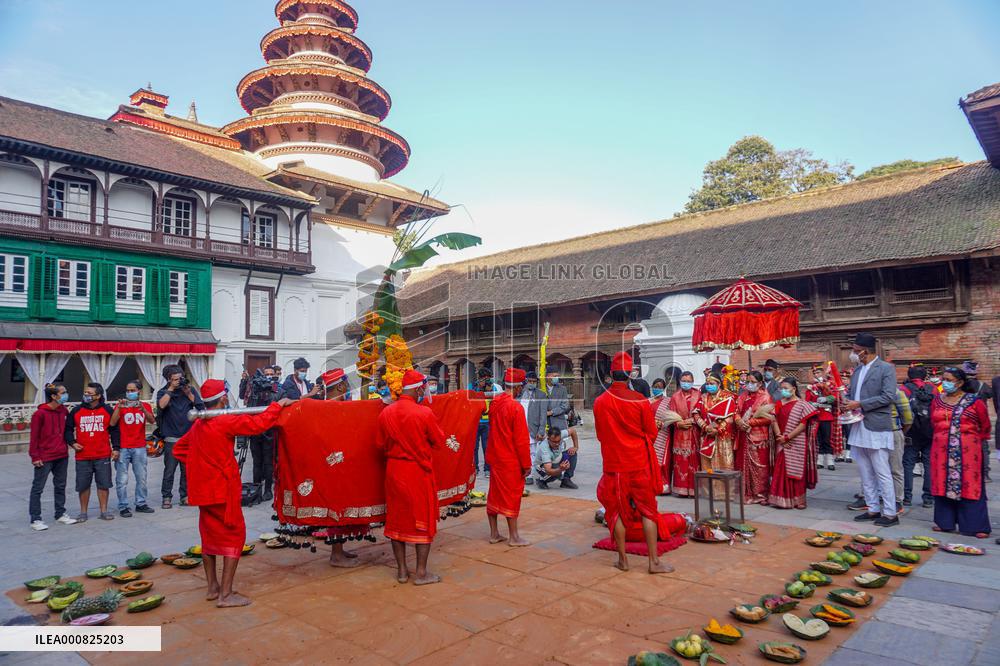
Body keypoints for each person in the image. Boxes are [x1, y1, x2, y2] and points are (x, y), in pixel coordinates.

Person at [173, 380, 293, 607]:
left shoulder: (199, 424)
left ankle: (212, 588)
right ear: (223, 399)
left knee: (208, 539)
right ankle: (226, 595)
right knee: (234, 537)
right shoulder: (224, 420)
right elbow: (259, 424)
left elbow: (179, 449)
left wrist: (202, 467)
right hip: (222, 492)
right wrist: (278, 405)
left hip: (204, 492)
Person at [594, 352, 673, 574]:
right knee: (648, 510)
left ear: (611, 374)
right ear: (630, 375)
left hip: (615, 464)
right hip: (639, 463)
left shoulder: (600, 402)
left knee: (616, 511)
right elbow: (651, 432)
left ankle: (623, 560)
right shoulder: (640, 400)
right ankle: (653, 562)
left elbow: (601, 435)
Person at [378, 370, 449, 585]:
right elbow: (439, 440)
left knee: (396, 520)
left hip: (394, 471)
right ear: (419, 388)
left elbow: (379, 445)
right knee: (423, 520)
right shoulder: (424, 413)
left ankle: (401, 571)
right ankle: (421, 573)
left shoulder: (385, 413)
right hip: (417, 472)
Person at [842, 333, 900, 527]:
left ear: (864, 351)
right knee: (865, 471)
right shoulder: (858, 370)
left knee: (882, 470)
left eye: (855, 350)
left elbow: (888, 396)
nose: (853, 354)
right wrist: (845, 402)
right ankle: (873, 507)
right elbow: (852, 394)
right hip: (858, 424)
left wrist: (860, 403)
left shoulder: (885, 369)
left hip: (876, 424)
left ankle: (891, 513)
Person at [929, 367, 991, 538]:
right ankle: (945, 522)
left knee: (970, 484)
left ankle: (975, 525)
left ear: (960, 382)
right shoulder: (937, 400)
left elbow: (985, 426)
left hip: (968, 451)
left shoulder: (974, 401)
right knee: (942, 482)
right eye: (943, 379)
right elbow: (933, 423)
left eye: (949, 380)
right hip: (941, 450)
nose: (945, 383)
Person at [320, 368, 369, 567]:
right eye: (347, 385)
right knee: (337, 511)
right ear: (340, 386)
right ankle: (336, 555)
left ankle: (339, 549)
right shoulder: (329, 407)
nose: (348, 388)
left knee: (342, 509)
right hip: (333, 467)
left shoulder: (339, 406)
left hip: (343, 465)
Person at [486, 368, 532, 544]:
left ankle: (494, 534)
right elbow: (521, 441)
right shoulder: (515, 407)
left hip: (495, 457)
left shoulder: (495, 403)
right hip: (510, 460)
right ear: (518, 388)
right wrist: (526, 465)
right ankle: (514, 536)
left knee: (494, 495)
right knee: (511, 497)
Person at [65, 383, 119, 522]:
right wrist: (72, 442)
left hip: (102, 455)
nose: (86, 395)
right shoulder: (76, 411)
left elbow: (114, 430)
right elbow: (68, 429)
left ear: (98, 396)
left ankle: (104, 511)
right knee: (83, 485)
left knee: (103, 484)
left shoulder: (107, 410)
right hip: (83, 456)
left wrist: (116, 448)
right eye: (85, 393)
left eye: (90, 393)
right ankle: (83, 512)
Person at [28, 384, 77, 530]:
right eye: (63, 393)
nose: (66, 395)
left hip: (61, 454)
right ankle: (35, 518)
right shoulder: (40, 414)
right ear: (54, 396)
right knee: (38, 487)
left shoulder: (63, 411)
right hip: (44, 456)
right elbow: (34, 437)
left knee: (60, 485)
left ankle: (60, 513)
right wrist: (35, 456)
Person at [156, 364, 203, 509]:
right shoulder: (163, 392)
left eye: (180, 378)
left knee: (186, 469)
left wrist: (189, 395)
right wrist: (170, 390)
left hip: (188, 437)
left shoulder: (190, 390)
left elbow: (201, 409)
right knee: (169, 470)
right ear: (169, 380)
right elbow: (161, 406)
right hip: (171, 437)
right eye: (175, 379)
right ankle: (166, 497)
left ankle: (185, 496)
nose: (178, 381)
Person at [769, 378, 818, 509]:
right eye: (781, 388)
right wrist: (780, 437)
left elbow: (803, 424)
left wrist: (788, 437)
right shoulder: (779, 403)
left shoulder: (803, 404)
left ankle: (799, 500)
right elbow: (773, 420)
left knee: (796, 469)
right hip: (781, 440)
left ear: (794, 389)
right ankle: (781, 499)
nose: (783, 391)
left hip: (797, 441)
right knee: (781, 468)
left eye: (786, 388)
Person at [110, 380, 155, 517]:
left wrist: (143, 408)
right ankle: (123, 505)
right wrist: (119, 407)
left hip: (139, 446)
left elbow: (152, 421)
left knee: (141, 477)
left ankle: (141, 503)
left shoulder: (145, 405)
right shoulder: (120, 405)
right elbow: (112, 423)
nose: (129, 393)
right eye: (128, 390)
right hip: (123, 447)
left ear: (139, 392)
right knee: (122, 479)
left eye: (132, 390)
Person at [735, 371, 774, 504]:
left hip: (758, 438)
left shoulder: (765, 397)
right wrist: (739, 420)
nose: (749, 385)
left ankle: (761, 494)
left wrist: (750, 422)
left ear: (760, 383)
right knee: (742, 464)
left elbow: (769, 418)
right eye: (748, 382)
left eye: (753, 382)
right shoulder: (743, 395)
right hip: (743, 436)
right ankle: (746, 493)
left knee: (760, 467)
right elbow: (736, 411)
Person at [901, 365, 935, 508]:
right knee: (928, 464)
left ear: (909, 376)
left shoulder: (904, 389)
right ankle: (928, 498)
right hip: (930, 431)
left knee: (908, 464)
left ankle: (907, 497)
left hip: (911, 430)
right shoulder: (933, 389)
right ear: (925, 376)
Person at [245, 366, 280, 501]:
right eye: (266, 374)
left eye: (271, 374)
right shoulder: (255, 391)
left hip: (270, 432)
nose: (268, 377)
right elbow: (249, 407)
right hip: (255, 432)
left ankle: (267, 490)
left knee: (268, 462)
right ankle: (256, 489)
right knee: (256, 462)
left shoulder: (277, 391)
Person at [693, 373, 737, 473]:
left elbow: (730, 418)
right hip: (706, 436)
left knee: (723, 466)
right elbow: (696, 414)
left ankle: (722, 489)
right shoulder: (703, 397)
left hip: (722, 438)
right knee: (707, 467)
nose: (709, 386)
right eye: (707, 383)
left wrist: (717, 430)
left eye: (711, 383)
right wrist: (704, 427)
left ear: (719, 384)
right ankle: (709, 488)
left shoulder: (728, 397)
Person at [668, 371, 701, 497]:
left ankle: (694, 489)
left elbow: (703, 412)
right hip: (680, 434)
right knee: (681, 461)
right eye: (684, 380)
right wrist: (678, 424)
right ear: (679, 381)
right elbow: (671, 415)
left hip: (695, 432)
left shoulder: (698, 394)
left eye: (688, 381)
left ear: (692, 381)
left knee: (694, 460)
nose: (686, 383)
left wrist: (692, 420)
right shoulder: (675, 397)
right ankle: (680, 489)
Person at [806, 364, 841, 470]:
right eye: (815, 373)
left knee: (827, 439)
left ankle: (830, 461)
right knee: (819, 439)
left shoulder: (830, 384)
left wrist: (827, 399)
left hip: (826, 416)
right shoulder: (811, 387)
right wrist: (813, 404)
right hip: (816, 416)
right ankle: (820, 461)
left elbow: (836, 397)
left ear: (823, 373)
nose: (817, 375)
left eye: (818, 373)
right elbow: (807, 400)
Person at [521, 371, 548, 484]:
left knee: (532, 452)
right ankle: (523, 472)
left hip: (533, 429)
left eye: (534, 382)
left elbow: (543, 415)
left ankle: (530, 475)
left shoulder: (541, 395)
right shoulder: (520, 393)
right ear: (525, 381)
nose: (532, 383)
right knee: (522, 451)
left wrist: (541, 431)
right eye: (529, 381)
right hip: (520, 428)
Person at [889, 386, 912, 514]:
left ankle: (898, 500)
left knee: (895, 468)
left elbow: (908, 418)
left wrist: (901, 433)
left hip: (893, 432)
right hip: (874, 433)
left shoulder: (897, 392)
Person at [546, 370, 580, 453]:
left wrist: (552, 412)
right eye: (554, 376)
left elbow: (565, 406)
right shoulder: (541, 388)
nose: (556, 378)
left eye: (558, 375)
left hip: (558, 423)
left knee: (558, 449)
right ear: (547, 376)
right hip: (545, 424)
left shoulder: (562, 389)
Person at [470, 367, 494, 477]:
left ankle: (487, 469)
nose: (487, 381)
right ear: (479, 378)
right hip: (474, 421)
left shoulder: (493, 387)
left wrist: (489, 390)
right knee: (474, 447)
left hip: (487, 421)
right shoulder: (472, 386)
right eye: (485, 379)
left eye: (489, 378)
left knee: (487, 447)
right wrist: (478, 389)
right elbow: (469, 398)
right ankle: (474, 468)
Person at [649, 378, 671, 492]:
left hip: (662, 433)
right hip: (649, 434)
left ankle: (663, 485)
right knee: (649, 460)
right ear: (652, 387)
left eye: (660, 387)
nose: (657, 389)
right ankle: (651, 484)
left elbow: (671, 418)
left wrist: (660, 423)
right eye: (655, 386)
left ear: (664, 388)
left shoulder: (668, 402)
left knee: (661, 460)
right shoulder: (648, 401)